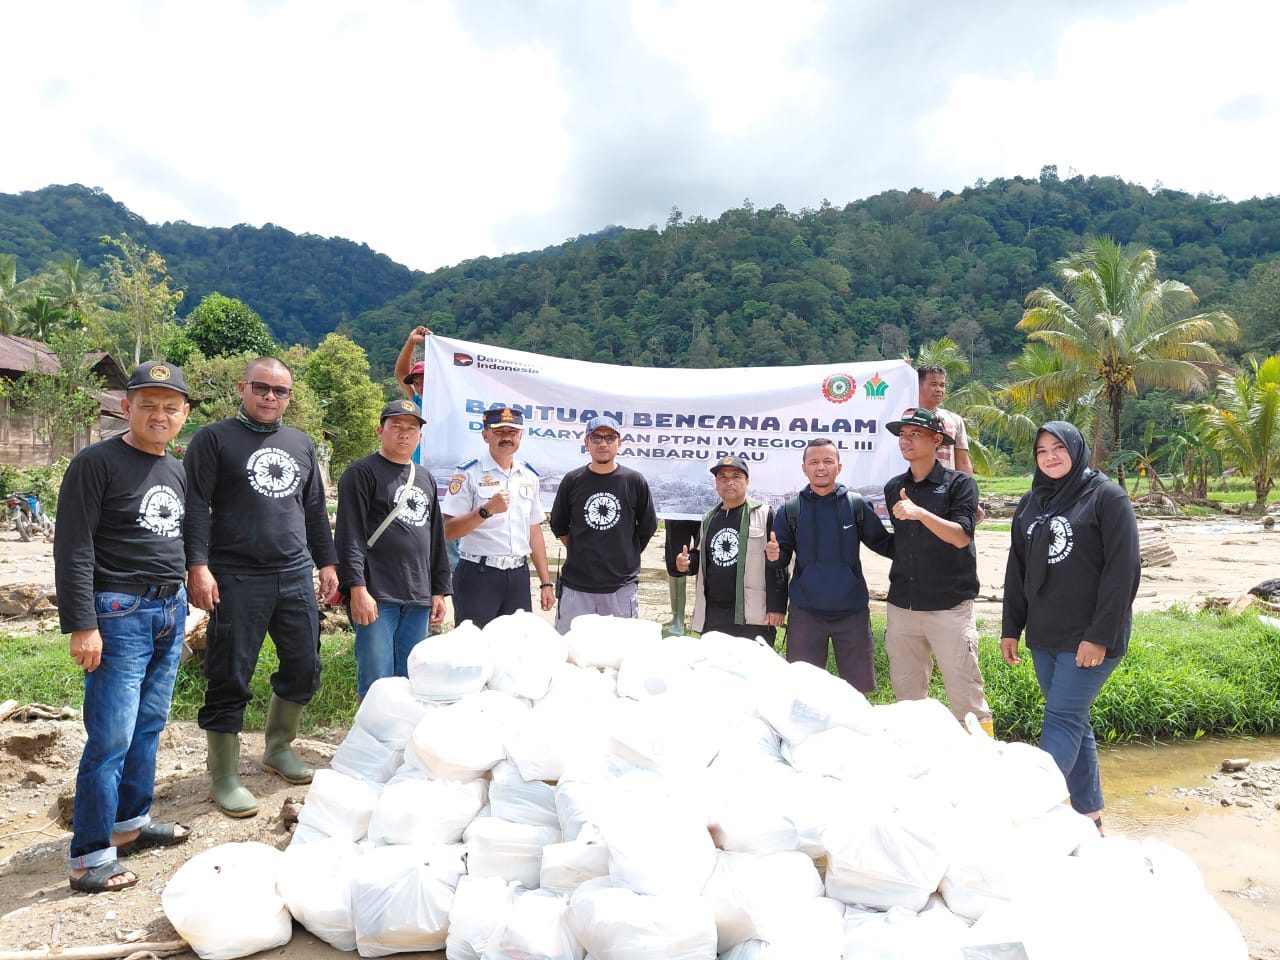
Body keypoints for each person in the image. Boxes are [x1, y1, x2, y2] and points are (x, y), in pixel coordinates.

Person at [54, 361, 192, 892]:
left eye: (170, 406)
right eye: (148, 404)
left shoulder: (174, 468)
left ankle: (130, 824)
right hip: (117, 615)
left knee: (149, 726)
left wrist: (185, 599)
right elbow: (73, 546)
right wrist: (82, 624)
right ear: (126, 407)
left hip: (168, 610)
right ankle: (90, 855)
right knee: (110, 736)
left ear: (183, 414)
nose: (159, 414)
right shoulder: (95, 463)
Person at [184, 356, 338, 818]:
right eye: (262, 388)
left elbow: (314, 510)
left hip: (293, 574)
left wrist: (327, 563)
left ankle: (278, 747)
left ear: (290, 396)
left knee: (305, 663)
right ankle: (225, 776)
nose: (271, 397)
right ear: (242, 388)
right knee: (229, 673)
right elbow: (194, 505)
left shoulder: (300, 443)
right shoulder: (214, 439)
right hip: (235, 575)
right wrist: (197, 565)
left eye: (280, 391)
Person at [1000, 421, 1141, 832]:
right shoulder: (1030, 503)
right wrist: (1012, 627)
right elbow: (1017, 569)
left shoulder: (1106, 497)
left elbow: (1123, 571)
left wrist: (1098, 636)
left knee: (1062, 719)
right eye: (1042, 451)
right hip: (1045, 635)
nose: (1050, 457)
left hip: (1089, 637)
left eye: (1058, 448)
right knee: (1074, 722)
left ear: (1076, 450)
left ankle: (1026, 813)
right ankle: (1090, 816)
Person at [883, 408, 992, 733]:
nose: (906, 440)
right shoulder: (894, 487)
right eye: (902, 434)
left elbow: (961, 536)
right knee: (908, 699)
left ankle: (985, 763)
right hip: (903, 607)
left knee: (967, 697)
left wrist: (920, 513)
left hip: (950, 608)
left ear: (937, 440)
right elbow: (901, 544)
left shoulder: (960, 484)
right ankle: (919, 766)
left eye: (914, 434)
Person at [336, 399, 451, 697]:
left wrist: (438, 590)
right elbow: (349, 535)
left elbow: (435, 536)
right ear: (380, 430)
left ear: (419, 437)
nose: (404, 434)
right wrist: (357, 589)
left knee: (413, 678)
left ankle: (402, 742)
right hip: (376, 594)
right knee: (377, 679)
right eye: (396, 427)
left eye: (411, 429)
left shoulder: (424, 477)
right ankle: (373, 742)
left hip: (418, 594)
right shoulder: (361, 473)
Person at [765, 438, 893, 692]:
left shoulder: (855, 505)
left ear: (839, 467)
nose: (820, 467)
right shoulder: (791, 509)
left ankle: (854, 731)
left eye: (827, 461)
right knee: (802, 690)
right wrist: (773, 556)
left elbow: (885, 544)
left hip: (852, 611)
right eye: (813, 462)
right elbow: (780, 560)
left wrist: (919, 532)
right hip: (806, 612)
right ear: (804, 468)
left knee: (858, 691)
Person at [441, 406, 555, 627]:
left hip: (518, 576)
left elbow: (534, 531)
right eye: (499, 431)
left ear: (521, 436)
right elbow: (449, 531)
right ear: (485, 435)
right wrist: (486, 510)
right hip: (478, 574)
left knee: (515, 649)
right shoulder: (468, 473)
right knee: (474, 649)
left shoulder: (529, 476)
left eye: (513, 432)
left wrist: (545, 583)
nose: (507, 438)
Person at [549, 415, 657, 633]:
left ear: (620, 442)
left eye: (610, 437)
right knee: (569, 653)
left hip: (620, 588)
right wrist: (581, 549)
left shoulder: (634, 481)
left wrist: (625, 551)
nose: (603, 443)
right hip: (576, 587)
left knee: (620, 655)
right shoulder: (572, 480)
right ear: (586, 443)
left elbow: (647, 527)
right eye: (596, 438)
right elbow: (559, 525)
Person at [675, 455, 787, 642]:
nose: (729, 482)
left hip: (750, 616)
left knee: (751, 669)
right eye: (723, 478)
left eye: (736, 477)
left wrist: (776, 607)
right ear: (716, 484)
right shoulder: (709, 518)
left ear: (747, 481)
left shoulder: (764, 514)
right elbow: (702, 557)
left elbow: (779, 565)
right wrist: (686, 563)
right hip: (714, 614)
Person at [662, 519, 701, 635]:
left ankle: (702, 616)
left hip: (706, 508)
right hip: (677, 510)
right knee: (676, 559)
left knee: (706, 556)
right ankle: (677, 618)